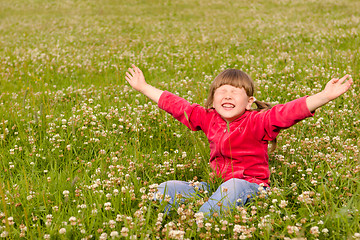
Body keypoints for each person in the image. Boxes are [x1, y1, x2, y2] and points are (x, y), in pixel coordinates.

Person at [125, 64, 353, 217]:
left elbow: (287, 112)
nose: (227, 95)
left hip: (250, 187)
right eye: (221, 91)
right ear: (212, 101)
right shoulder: (207, 118)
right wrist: (144, 87)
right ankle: (162, 219)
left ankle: (201, 221)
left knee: (231, 188)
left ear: (249, 102)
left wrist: (323, 96)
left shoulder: (258, 122)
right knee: (166, 188)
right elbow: (177, 106)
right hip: (214, 187)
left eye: (235, 92)